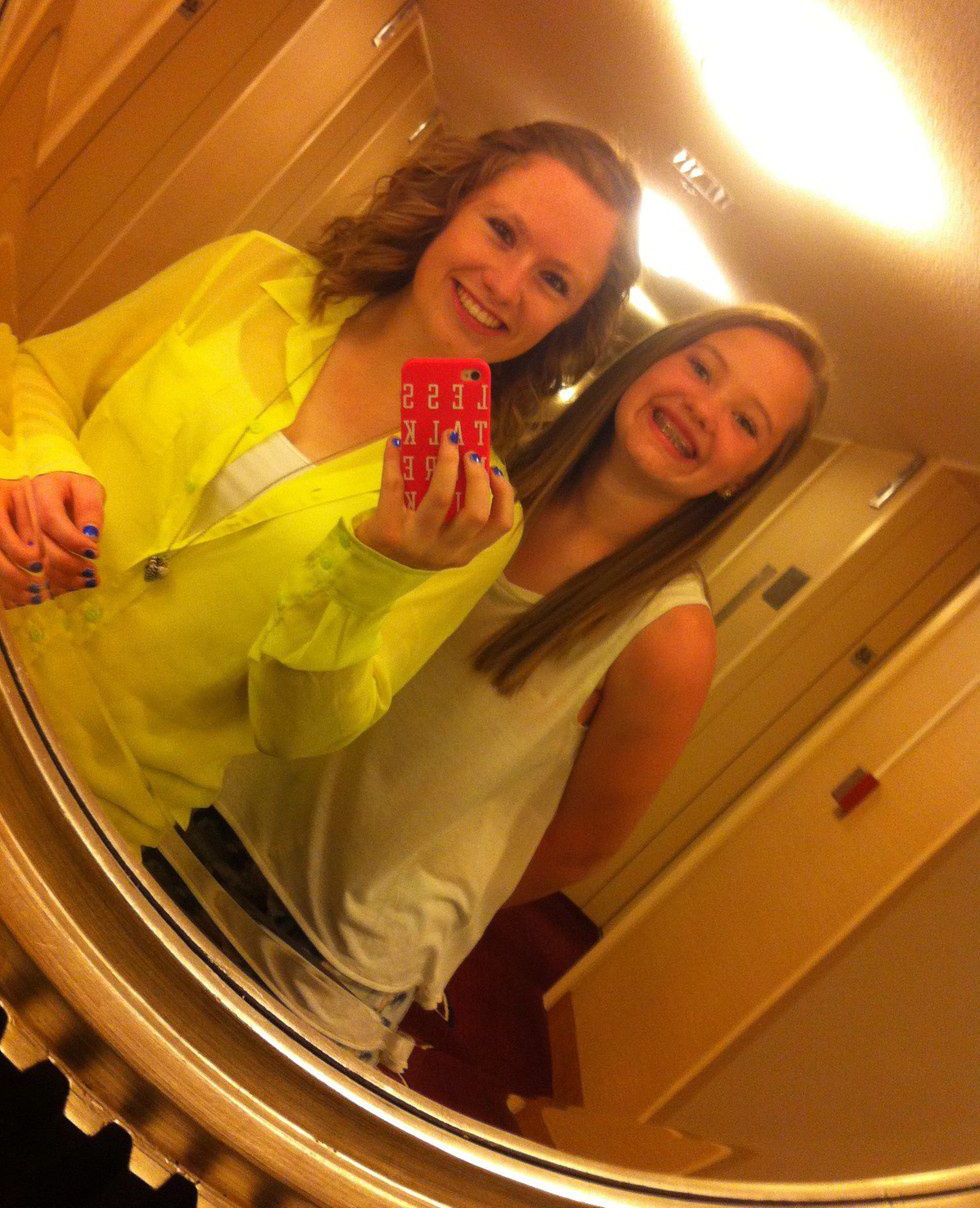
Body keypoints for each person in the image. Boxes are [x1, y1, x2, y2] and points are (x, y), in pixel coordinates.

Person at [155, 304, 830, 1071]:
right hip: (203, 814)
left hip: (325, 961)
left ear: (744, 479)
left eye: (745, 422)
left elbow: (579, 847)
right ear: (652, 360)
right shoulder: (477, 462)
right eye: (702, 368)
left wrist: (414, 884)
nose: (704, 408)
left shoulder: (669, 637)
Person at [0, 122, 641, 847]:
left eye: (554, 281)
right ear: (450, 206)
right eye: (501, 231)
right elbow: (41, 374)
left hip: (86, 813)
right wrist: (36, 466)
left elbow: (294, 731)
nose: (506, 284)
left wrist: (377, 572)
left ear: (570, 322)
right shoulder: (246, 274)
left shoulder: (473, 520)